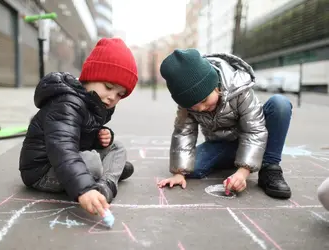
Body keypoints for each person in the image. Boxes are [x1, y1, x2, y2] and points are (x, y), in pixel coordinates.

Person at [19, 38, 138, 217]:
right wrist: (84, 189)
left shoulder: (96, 102)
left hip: (70, 159)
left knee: (117, 147)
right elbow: (63, 148)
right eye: (108, 87)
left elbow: (81, 134)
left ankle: (106, 183)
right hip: (43, 170)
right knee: (92, 162)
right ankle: (106, 173)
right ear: (91, 76)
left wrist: (101, 136)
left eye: (120, 94)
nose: (113, 97)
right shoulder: (66, 103)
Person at [157, 49, 292, 199]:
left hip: (255, 136)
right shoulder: (187, 104)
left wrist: (243, 172)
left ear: (215, 85)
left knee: (280, 104)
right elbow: (183, 133)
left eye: (204, 101)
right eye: (194, 106)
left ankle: (269, 167)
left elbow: (254, 131)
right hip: (223, 144)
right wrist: (179, 173)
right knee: (191, 170)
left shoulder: (240, 89)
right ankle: (238, 159)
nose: (201, 108)